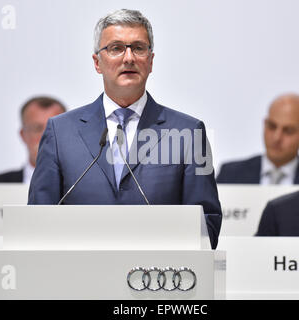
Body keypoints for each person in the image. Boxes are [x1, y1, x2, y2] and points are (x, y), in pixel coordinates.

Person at [27, 9, 222, 249]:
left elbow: (207, 226)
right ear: (97, 63)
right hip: (78, 277)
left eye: (138, 48)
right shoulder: (60, 132)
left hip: (157, 278)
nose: (128, 58)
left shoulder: (189, 133)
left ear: (150, 61)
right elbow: (35, 224)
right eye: (116, 48)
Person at [217, 94, 299, 185]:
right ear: (264, 124)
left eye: (288, 131)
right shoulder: (230, 174)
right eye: (272, 126)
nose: (277, 137)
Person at [0, 96, 66, 183]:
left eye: (54, 128)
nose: (46, 136)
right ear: (23, 135)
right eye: (37, 128)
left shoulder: (79, 187)